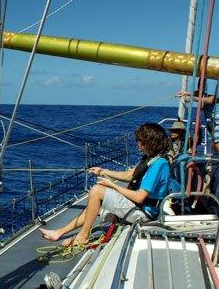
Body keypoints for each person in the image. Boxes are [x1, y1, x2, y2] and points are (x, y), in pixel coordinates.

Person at [39, 123, 171, 246]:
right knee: (93, 205)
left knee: (97, 191)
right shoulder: (151, 159)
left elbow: (139, 197)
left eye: (139, 140)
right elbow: (129, 175)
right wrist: (103, 171)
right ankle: (59, 232)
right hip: (139, 207)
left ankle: (83, 236)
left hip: (143, 213)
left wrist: (112, 185)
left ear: (148, 142)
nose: (137, 143)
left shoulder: (158, 165)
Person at [176, 79, 219, 152]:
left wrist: (191, 97)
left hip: (216, 117)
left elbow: (210, 99)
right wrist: (187, 93)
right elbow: (200, 93)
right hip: (210, 119)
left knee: (217, 144)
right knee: (214, 144)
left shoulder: (212, 77)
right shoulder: (204, 79)